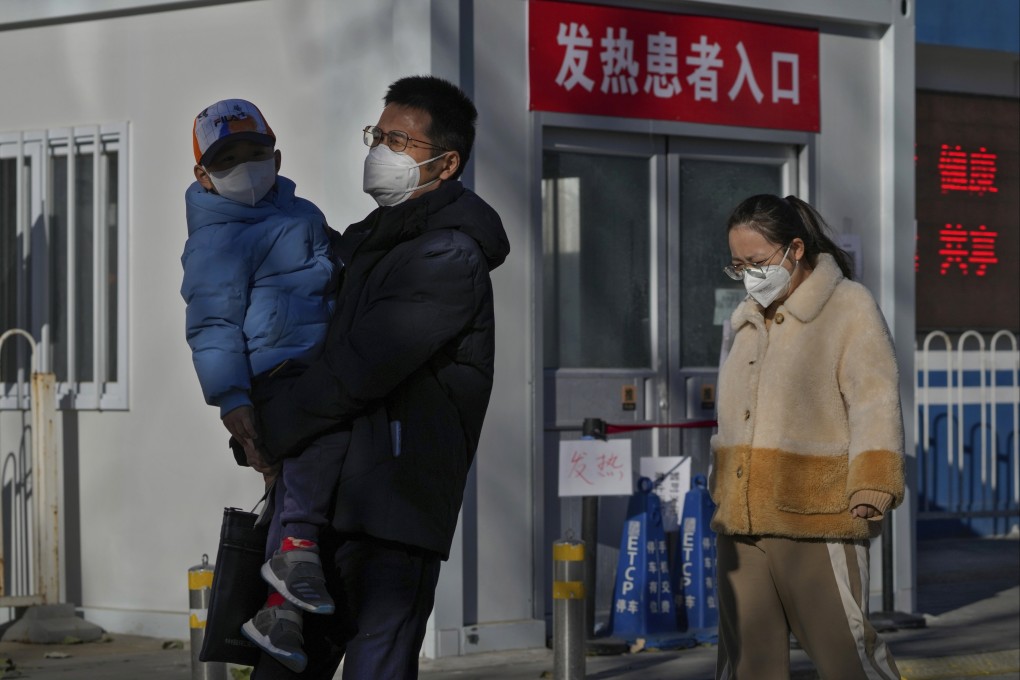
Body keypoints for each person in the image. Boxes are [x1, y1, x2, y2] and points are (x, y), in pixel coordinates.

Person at [244, 75, 510, 679]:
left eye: (399, 139)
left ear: (446, 164)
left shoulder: (448, 257)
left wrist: (271, 428)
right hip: (328, 506)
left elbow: (356, 370)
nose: (380, 151)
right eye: (378, 134)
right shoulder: (370, 242)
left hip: (394, 514)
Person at [181, 98, 347, 673]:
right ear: (203, 174)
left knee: (301, 470)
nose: (246, 166)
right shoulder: (214, 239)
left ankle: (281, 609)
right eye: (228, 159)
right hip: (274, 372)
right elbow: (212, 324)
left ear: (276, 154)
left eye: (255, 152)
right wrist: (232, 399)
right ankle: (296, 547)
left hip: (320, 362)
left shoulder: (302, 212)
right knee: (321, 441)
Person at [709, 194, 905, 679]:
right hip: (743, 521)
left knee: (846, 656)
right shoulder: (746, 319)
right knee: (746, 663)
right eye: (738, 265)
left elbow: (875, 400)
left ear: (795, 249)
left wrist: (874, 482)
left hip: (819, 514)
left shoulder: (848, 306)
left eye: (757, 262)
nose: (749, 274)